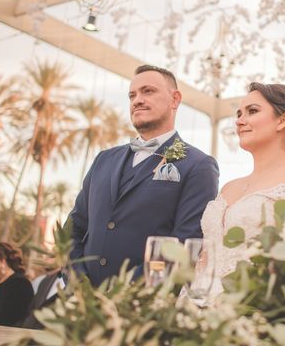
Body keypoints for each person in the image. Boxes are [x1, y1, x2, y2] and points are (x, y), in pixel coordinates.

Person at [69, 65, 219, 287]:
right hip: (81, 305)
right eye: (132, 95)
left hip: (143, 308)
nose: (137, 100)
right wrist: (78, 283)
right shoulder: (103, 160)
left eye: (148, 91)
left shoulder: (198, 165)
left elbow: (184, 244)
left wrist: (124, 293)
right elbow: (74, 228)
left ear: (175, 99)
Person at [197, 82, 285, 299]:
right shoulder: (228, 187)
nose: (239, 121)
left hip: (252, 305)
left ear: (283, 120)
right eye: (239, 114)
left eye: (252, 111)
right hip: (198, 301)